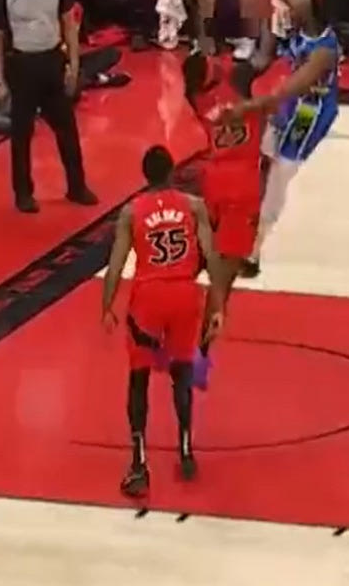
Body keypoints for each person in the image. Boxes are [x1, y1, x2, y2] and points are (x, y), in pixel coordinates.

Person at [101, 146, 225, 496]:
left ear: (145, 176)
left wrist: (106, 306)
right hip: (185, 294)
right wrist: (217, 307)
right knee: (182, 374)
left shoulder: (131, 211)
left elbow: (115, 264)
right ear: (172, 172)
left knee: (138, 378)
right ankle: (185, 451)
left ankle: (139, 462)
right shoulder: (193, 206)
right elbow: (213, 258)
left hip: (149, 298)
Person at [221, 0, 341, 277]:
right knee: (263, 161)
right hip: (291, 103)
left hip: (310, 112)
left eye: (294, 4)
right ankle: (247, 221)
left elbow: (291, 89)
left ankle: (254, 250)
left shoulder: (324, 51)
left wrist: (246, 108)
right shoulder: (303, 16)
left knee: (280, 174)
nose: (288, 6)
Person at [0, 0, 97, 213]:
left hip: (52, 61)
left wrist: (74, 64)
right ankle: (23, 193)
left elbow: (69, 24)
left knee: (67, 129)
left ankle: (77, 186)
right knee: (21, 134)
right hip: (22, 65)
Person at [182, 53, 263, 387]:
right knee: (222, 282)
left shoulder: (198, 100)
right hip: (241, 188)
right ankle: (199, 355)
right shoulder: (245, 91)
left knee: (194, 264)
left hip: (213, 183)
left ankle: (167, 328)